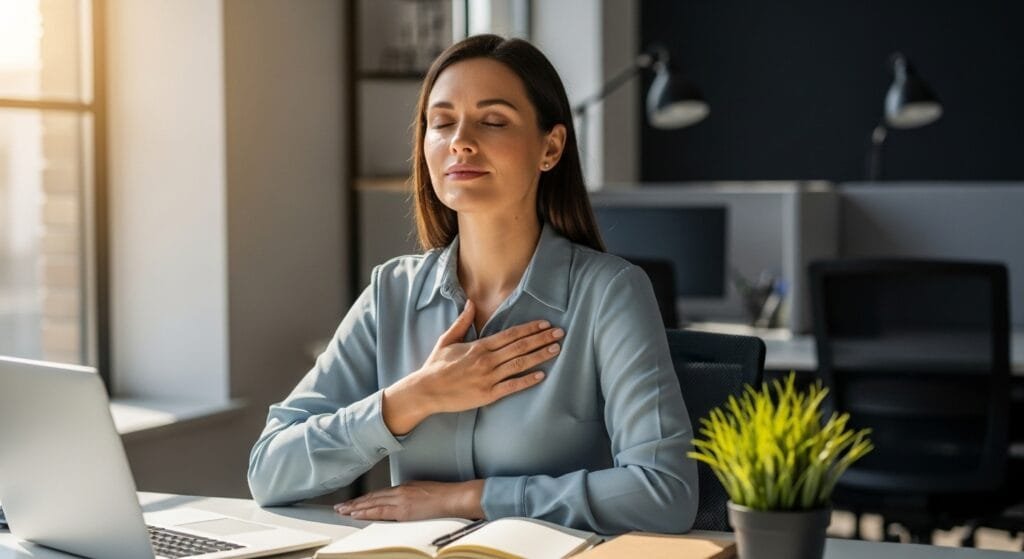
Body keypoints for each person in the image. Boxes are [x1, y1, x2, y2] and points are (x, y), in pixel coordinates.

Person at [247, 34, 697, 535]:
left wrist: (469, 499)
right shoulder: (391, 293)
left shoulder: (610, 292)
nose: (460, 139)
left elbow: (664, 492)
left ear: (550, 147)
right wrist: (416, 397)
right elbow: (269, 472)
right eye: (441, 122)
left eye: (493, 120)